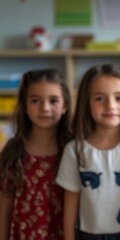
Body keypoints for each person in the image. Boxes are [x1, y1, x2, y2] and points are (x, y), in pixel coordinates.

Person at [55, 64, 120, 240]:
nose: (110, 105)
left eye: (119, 98)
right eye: (99, 98)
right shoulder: (75, 150)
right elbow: (71, 204)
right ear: (86, 103)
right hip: (87, 234)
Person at [0, 69, 72, 239]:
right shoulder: (13, 150)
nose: (44, 108)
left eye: (53, 100)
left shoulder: (73, 149)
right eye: (35, 101)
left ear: (65, 106)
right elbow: (5, 206)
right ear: (24, 106)